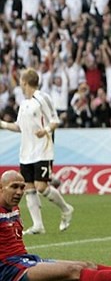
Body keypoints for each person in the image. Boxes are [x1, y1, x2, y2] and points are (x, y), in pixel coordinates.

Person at [0, 170, 111, 281]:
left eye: (22, 187)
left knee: (87, 264)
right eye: (14, 187)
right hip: (9, 270)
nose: (19, 192)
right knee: (73, 271)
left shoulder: (14, 207)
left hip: (26, 259)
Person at [0, 68, 74, 235]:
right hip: (26, 152)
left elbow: (55, 120)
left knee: (41, 186)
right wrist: (2, 124)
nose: (20, 84)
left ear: (25, 82)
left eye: (21, 81)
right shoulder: (24, 103)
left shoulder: (42, 98)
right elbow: (18, 127)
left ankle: (66, 209)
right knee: (29, 188)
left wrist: (45, 130)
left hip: (42, 150)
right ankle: (38, 225)